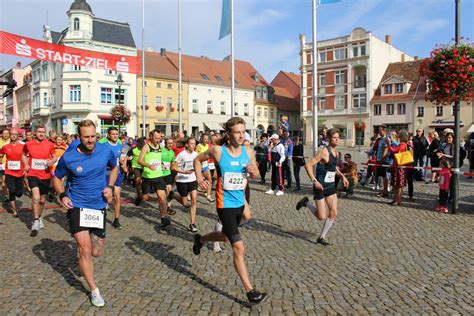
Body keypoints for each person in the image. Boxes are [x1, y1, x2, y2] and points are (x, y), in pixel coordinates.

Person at [192, 117, 267, 304]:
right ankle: (250, 291)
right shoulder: (218, 151)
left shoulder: (248, 151)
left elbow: (256, 173)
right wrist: (200, 177)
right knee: (238, 246)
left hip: (240, 200)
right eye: (237, 132)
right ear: (229, 134)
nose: (241, 135)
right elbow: (197, 160)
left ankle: (200, 239)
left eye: (243, 132)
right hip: (224, 204)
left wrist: (253, 171)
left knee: (226, 236)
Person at [53, 119, 117, 307]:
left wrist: (110, 187)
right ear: (78, 137)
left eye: (92, 136)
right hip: (77, 205)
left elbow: (115, 167)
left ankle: (84, 258)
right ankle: (94, 290)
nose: (90, 140)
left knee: (96, 251)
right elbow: (57, 178)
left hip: (98, 206)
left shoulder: (105, 151)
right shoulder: (69, 157)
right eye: (86, 137)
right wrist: (62, 195)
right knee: (85, 249)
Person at [296, 128, 348, 246]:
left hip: (330, 186)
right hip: (320, 186)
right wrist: (314, 181)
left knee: (333, 212)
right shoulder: (324, 151)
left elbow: (333, 167)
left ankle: (322, 237)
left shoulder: (336, 153)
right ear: (329, 139)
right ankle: (306, 203)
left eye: (338, 137)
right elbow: (308, 165)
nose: (337, 139)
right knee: (321, 216)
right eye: (335, 137)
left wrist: (342, 176)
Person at [22, 125, 57, 237]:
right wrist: (26, 164)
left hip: (45, 175)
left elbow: (55, 157)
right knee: (36, 198)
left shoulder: (50, 144)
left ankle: (39, 216)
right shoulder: (29, 144)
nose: (41, 134)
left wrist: (51, 162)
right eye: (39, 132)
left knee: (42, 200)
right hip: (33, 174)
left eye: (43, 132)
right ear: (35, 133)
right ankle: (36, 221)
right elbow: (23, 154)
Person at [138, 130, 170, 227]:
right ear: (151, 137)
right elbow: (140, 160)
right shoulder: (146, 147)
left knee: (162, 197)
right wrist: (148, 165)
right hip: (147, 176)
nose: (158, 140)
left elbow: (158, 159)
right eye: (156, 138)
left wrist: (162, 165)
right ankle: (139, 197)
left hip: (159, 176)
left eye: (159, 138)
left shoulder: (161, 146)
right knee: (145, 197)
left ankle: (163, 217)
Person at [99, 127, 127, 230]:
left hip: (118, 174)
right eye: (113, 134)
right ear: (108, 135)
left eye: (116, 134)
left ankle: (116, 219)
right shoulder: (103, 146)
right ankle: (101, 216)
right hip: (106, 174)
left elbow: (121, 158)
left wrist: (124, 165)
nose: (115, 136)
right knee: (105, 196)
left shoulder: (121, 146)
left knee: (117, 197)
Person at [171, 137, 198, 232]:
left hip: (193, 179)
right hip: (182, 180)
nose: (193, 146)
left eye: (194, 144)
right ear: (187, 144)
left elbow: (198, 166)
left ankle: (192, 223)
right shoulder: (181, 155)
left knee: (194, 201)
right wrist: (183, 172)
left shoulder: (196, 154)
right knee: (184, 202)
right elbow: (173, 167)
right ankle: (173, 195)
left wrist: (200, 177)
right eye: (191, 144)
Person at [0, 128, 25, 217]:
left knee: (19, 193)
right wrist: (1, 163)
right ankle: (14, 209)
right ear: (10, 135)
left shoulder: (23, 146)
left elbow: (27, 156)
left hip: (20, 172)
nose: (13, 135)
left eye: (15, 134)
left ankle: (17, 194)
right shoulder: (5, 147)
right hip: (9, 172)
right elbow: (1, 155)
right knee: (11, 190)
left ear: (18, 136)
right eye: (12, 134)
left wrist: (26, 166)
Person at [386, 130, 409, 206]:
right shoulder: (401, 144)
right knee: (395, 184)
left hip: (400, 167)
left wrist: (388, 144)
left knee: (399, 185)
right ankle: (395, 199)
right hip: (397, 166)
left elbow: (394, 150)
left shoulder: (403, 144)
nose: (397, 135)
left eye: (399, 134)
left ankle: (398, 199)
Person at [195, 134, 215, 203]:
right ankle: (191, 193)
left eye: (207, 139)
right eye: (205, 139)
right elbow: (196, 156)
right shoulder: (198, 146)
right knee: (198, 182)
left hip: (205, 166)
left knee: (209, 180)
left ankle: (208, 196)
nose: (206, 140)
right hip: (199, 166)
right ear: (201, 139)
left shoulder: (207, 146)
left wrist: (208, 158)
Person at [127, 137, 145, 205]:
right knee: (138, 180)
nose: (141, 146)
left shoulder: (145, 149)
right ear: (137, 144)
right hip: (136, 167)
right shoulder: (133, 149)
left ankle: (140, 194)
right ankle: (139, 195)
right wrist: (125, 166)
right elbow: (126, 156)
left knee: (143, 182)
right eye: (140, 144)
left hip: (144, 167)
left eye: (143, 144)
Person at [162, 137, 176, 214]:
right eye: (169, 143)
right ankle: (163, 206)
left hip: (168, 173)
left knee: (169, 191)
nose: (170, 145)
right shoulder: (161, 151)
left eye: (171, 143)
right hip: (160, 174)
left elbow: (173, 162)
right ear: (165, 143)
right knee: (163, 193)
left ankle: (169, 207)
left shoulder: (172, 152)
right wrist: (161, 165)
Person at [374, 125, 390, 197]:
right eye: (379, 131)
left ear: (384, 131)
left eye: (380, 131)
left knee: (384, 176)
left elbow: (386, 150)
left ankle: (385, 191)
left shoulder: (386, 139)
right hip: (379, 159)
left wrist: (381, 159)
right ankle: (384, 190)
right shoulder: (380, 139)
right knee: (382, 176)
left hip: (384, 160)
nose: (379, 132)